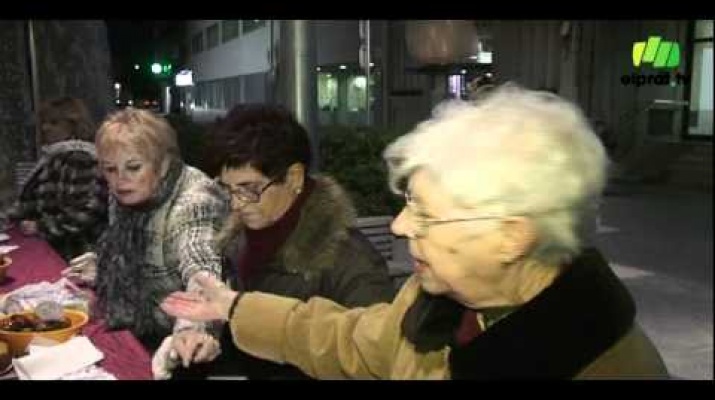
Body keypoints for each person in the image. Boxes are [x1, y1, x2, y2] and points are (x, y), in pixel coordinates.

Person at [160, 85, 669, 379]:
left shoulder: (609, 366)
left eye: (427, 214)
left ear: (512, 235)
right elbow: (345, 337)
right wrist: (233, 307)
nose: (401, 227)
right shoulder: (437, 304)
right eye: (408, 205)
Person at [168, 104, 395, 379]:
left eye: (250, 189)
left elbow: (374, 360)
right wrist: (205, 341)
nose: (237, 204)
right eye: (227, 189)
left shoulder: (351, 261)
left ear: (294, 177)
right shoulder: (235, 245)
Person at [85, 108, 229, 370]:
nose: (120, 180)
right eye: (110, 169)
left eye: (133, 167)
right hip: (141, 320)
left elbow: (201, 270)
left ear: (162, 164)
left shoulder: (195, 202)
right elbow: (128, 250)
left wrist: (192, 329)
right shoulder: (129, 189)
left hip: (178, 341)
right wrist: (101, 262)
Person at [5, 97, 108, 260]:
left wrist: (40, 227)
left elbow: (84, 213)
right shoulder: (53, 156)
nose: (46, 128)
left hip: (76, 254)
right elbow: (31, 202)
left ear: (72, 125)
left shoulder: (80, 158)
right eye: (44, 123)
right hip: (54, 248)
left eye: (54, 123)